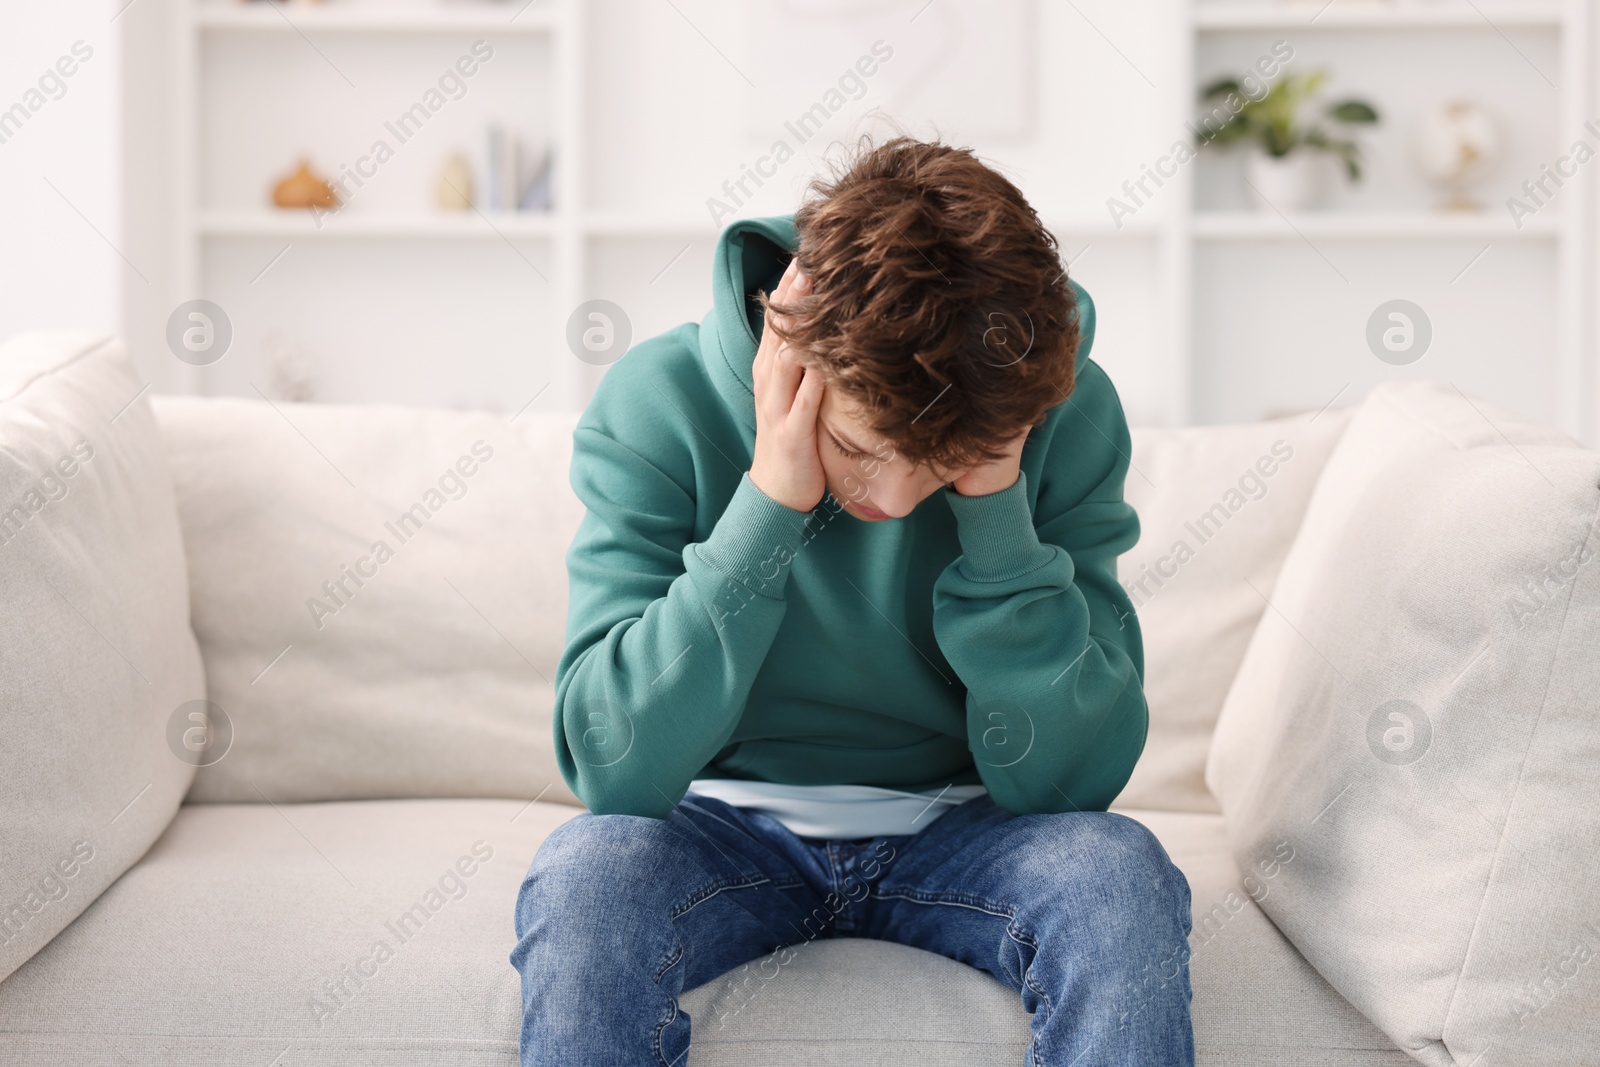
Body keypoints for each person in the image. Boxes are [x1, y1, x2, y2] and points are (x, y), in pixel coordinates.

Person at [510, 134, 1195, 1066]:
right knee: (586, 878)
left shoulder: (1058, 411)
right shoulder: (655, 403)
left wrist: (996, 506)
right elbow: (614, 771)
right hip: (718, 823)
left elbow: (1075, 786)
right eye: (864, 450)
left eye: (946, 467)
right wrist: (768, 504)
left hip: (971, 825)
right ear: (792, 353)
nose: (898, 501)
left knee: (1119, 876)